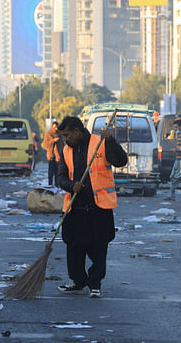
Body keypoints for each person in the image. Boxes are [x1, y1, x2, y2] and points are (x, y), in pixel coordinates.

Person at [56, 116, 128, 298]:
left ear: (77, 132)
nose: (65, 139)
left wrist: (111, 141)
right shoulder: (65, 150)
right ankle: (78, 281)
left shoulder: (101, 143)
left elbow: (120, 161)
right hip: (74, 208)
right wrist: (72, 186)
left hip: (99, 206)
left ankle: (95, 284)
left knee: (98, 247)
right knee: (73, 247)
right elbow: (61, 177)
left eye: (67, 135)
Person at [43, 121, 60, 187]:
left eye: (57, 127)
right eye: (54, 127)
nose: (56, 129)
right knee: (51, 172)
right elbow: (46, 144)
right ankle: (50, 185)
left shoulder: (59, 134)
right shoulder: (48, 134)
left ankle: (57, 185)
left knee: (57, 172)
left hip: (58, 156)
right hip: (51, 156)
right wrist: (53, 141)